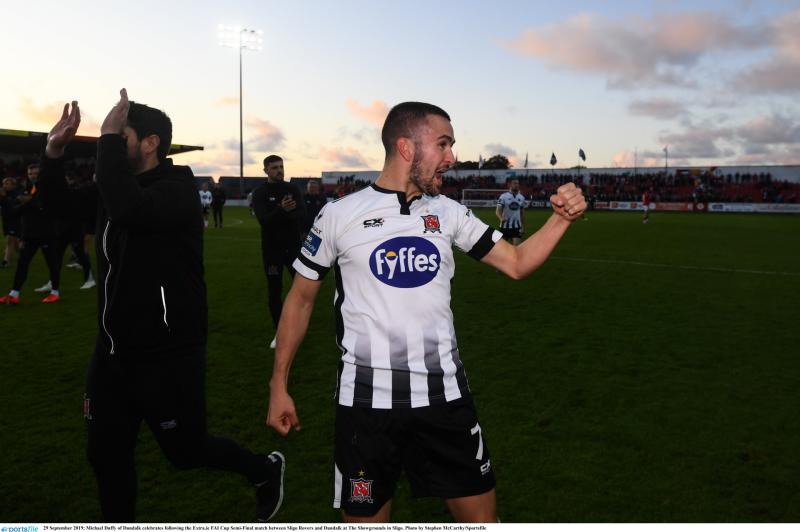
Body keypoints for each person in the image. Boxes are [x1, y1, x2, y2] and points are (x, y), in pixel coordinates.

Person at [266, 101, 586, 522]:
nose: (452, 158)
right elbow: (301, 299)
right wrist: (278, 384)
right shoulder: (340, 215)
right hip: (367, 407)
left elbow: (516, 263)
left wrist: (560, 219)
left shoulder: (448, 212)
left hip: (446, 401)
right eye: (443, 144)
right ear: (405, 147)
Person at [35, 90, 285, 522]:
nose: (110, 142)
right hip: (111, 353)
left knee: (186, 452)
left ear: (150, 143)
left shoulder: (177, 190)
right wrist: (54, 154)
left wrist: (106, 141)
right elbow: (56, 203)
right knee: (106, 458)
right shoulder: (112, 190)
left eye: (120, 136)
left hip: (167, 354)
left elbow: (130, 209)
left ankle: (264, 469)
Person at [251, 155, 305, 349]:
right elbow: (264, 221)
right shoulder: (260, 193)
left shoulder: (292, 189)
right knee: (275, 291)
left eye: (281, 166)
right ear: (265, 170)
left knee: (301, 289)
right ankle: (280, 332)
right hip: (272, 251)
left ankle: (297, 325)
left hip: (293, 248)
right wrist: (282, 210)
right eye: (274, 168)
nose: (279, 170)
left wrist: (281, 213)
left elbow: (301, 213)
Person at [0, 163, 65, 304]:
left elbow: (44, 208)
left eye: (35, 173)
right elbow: (16, 213)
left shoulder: (47, 189)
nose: (33, 176)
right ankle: (14, 294)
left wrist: (30, 203)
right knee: (22, 264)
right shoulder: (27, 190)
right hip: (30, 235)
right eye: (30, 174)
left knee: (52, 263)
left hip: (47, 233)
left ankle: (55, 292)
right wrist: (4, 200)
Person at [495, 178, 525, 245]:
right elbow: (498, 210)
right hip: (504, 227)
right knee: (503, 249)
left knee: (516, 248)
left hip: (517, 227)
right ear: (509, 185)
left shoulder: (522, 198)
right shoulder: (503, 196)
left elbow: (522, 213)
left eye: (517, 183)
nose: (517, 185)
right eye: (514, 183)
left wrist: (522, 226)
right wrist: (501, 218)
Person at [0, 176, 22, 268]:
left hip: (16, 220)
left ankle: (6, 262)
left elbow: (13, 206)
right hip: (6, 220)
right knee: (14, 241)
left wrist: (4, 197)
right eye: (4, 183)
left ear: (14, 186)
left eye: (8, 184)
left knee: (10, 240)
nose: (5, 186)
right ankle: (23, 254)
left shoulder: (16, 194)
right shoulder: (3, 194)